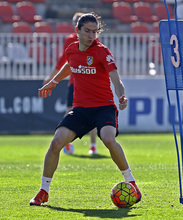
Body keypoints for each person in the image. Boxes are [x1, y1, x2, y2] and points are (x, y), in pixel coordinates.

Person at [29, 12, 141, 206]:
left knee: (108, 138)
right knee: (56, 143)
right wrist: (54, 82)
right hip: (81, 109)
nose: (91, 36)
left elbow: (116, 79)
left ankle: (131, 182)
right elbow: (69, 65)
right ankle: (43, 191)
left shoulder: (102, 52)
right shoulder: (72, 49)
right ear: (77, 31)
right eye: (87, 31)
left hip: (104, 107)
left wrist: (121, 95)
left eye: (95, 32)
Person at [43, 12, 98, 155]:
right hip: (75, 81)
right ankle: (67, 144)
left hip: (89, 82)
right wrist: (52, 77)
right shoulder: (71, 40)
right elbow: (65, 60)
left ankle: (92, 145)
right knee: (70, 111)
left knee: (92, 113)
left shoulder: (92, 40)